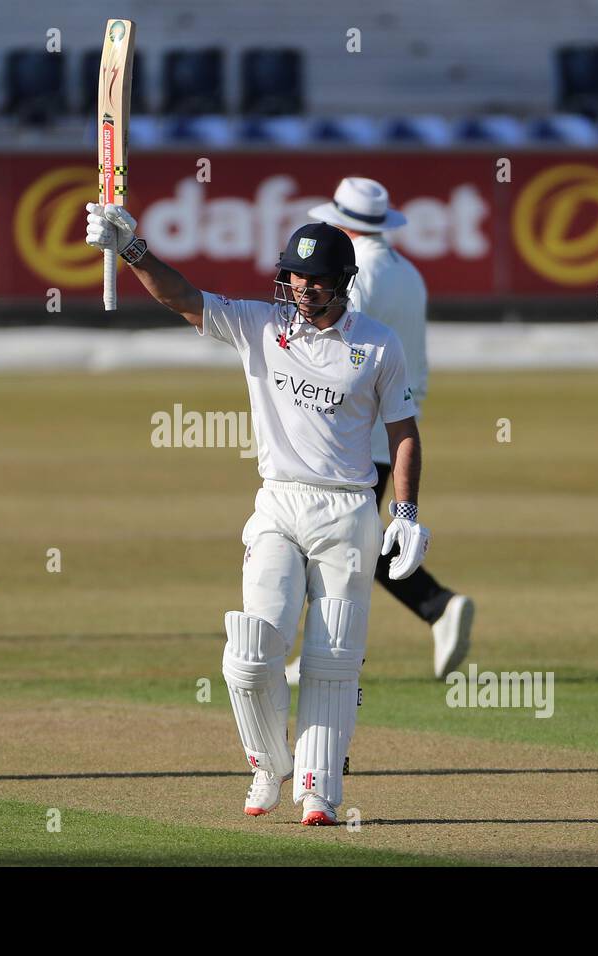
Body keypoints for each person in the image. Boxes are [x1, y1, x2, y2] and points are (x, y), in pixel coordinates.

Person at [86, 204, 429, 826]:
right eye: (293, 280)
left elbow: (404, 431)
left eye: (314, 282)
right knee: (251, 649)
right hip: (278, 500)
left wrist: (404, 512)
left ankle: (319, 787)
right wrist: (132, 249)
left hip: (348, 510)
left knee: (333, 659)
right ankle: (268, 764)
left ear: (343, 282)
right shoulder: (261, 326)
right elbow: (184, 298)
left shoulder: (378, 345)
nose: (300, 291)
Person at [306, 176, 475, 680]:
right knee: (352, 537)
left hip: (359, 424)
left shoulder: (360, 277)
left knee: (334, 537)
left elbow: (338, 345)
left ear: (343, 225)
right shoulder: (409, 272)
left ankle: (435, 604)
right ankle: (435, 605)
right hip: (396, 421)